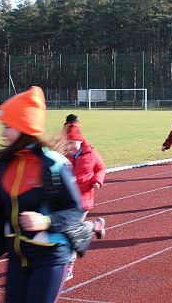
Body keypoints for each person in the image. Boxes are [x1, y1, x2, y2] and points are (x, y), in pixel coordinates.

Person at [0, 87, 104, 303]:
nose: (3, 133)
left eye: (8, 127)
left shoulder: (53, 164)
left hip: (50, 256)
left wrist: (45, 220)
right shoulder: (3, 166)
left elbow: (74, 210)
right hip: (16, 258)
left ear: (24, 127)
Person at [62, 114, 107, 281]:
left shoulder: (91, 154)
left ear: (80, 140)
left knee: (72, 232)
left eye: (73, 143)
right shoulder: (63, 155)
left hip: (83, 200)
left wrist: (97, 181)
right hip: (65, 200)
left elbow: (101, 169)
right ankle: (95, 225)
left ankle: (69, 267)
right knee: (65, 229)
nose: (70, 146)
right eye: (68, 143)